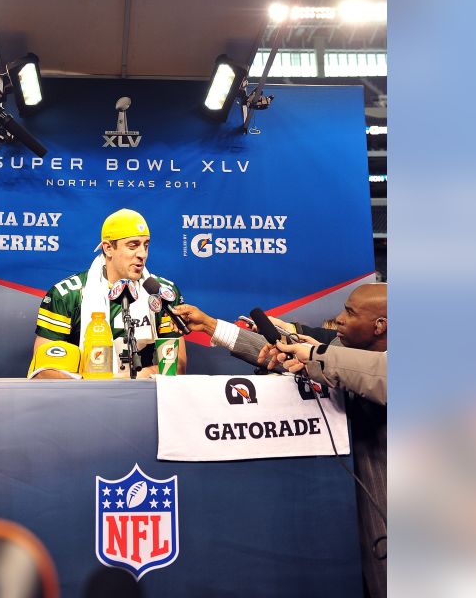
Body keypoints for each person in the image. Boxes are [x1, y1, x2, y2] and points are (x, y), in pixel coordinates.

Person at [171, 282, 387, 598]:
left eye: (350, 313)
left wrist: (315, 355)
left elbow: (375, 372)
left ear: (379, 325)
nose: (338, 318)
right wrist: (209, 325)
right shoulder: (344, 350)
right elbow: (274, 350)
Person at [30, 208, 186, 379]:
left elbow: (176, 366)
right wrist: (98, 387)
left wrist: (130, 380)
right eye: (133, 245)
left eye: (146, 245)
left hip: (143, 396)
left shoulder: (162, 294)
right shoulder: (66, 295)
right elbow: (44, 371)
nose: (142, 254)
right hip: (82, 399)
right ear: (108, 248)